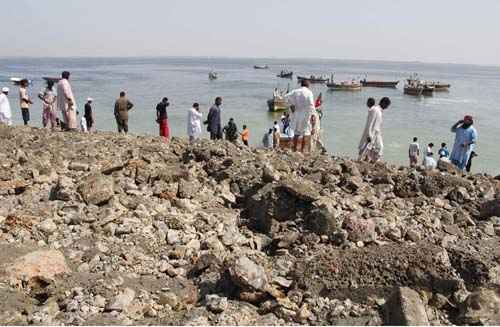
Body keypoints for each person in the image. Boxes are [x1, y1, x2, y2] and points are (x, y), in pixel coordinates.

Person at [285, 79, 315, 152]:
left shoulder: (295, 91)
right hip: (306, 115)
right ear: (308, 85)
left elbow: (286, 97)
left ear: (301, 84)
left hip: (297, 114)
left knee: (296, 133)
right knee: (305, 133)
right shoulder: (309, 92)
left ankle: (295, 149)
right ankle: (302, 150)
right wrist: (313, 115)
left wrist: (291, 105)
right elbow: (311, 105)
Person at [358, 97, 391, 163]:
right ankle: (360, 161)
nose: (387, 107)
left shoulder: (379, 111)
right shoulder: (375, 110)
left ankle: (372, 162)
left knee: (378, 148)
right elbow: (370, 122)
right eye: (387, 105)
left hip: (376, 133)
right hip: (371, 133)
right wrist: (369, 134)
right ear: (383, 103)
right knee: (368, 148)